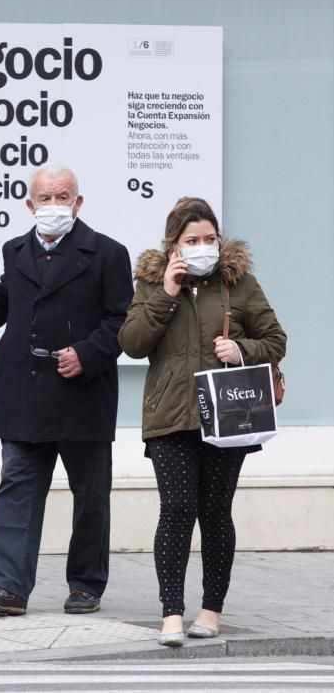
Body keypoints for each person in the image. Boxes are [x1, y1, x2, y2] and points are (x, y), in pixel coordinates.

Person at [0, 164, 133, 616]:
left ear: (78, 203)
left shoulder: (109, 254)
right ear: (29, 205)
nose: (54, 206)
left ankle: (85, 585)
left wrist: (88, 353)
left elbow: (122, 321)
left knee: (90, 495)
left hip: (83, 396)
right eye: (45, 198)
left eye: (63, 197)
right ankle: (9, 586)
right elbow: (0, 298)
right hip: (24, 392)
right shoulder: (15, 250)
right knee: (17, 486)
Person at [118, 197, 286, 646]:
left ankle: (211, 609)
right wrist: (166, 294)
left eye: (209, 238)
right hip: (170, 416)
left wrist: (243, 350)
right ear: (173, 244)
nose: (203, 247)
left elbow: (275, 339)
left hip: (227, 418)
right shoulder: (151, 284)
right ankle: (171, 612)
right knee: (175, 510)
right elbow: (132, 343)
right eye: (192, 240)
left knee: (215, 514)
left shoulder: (239, 282)